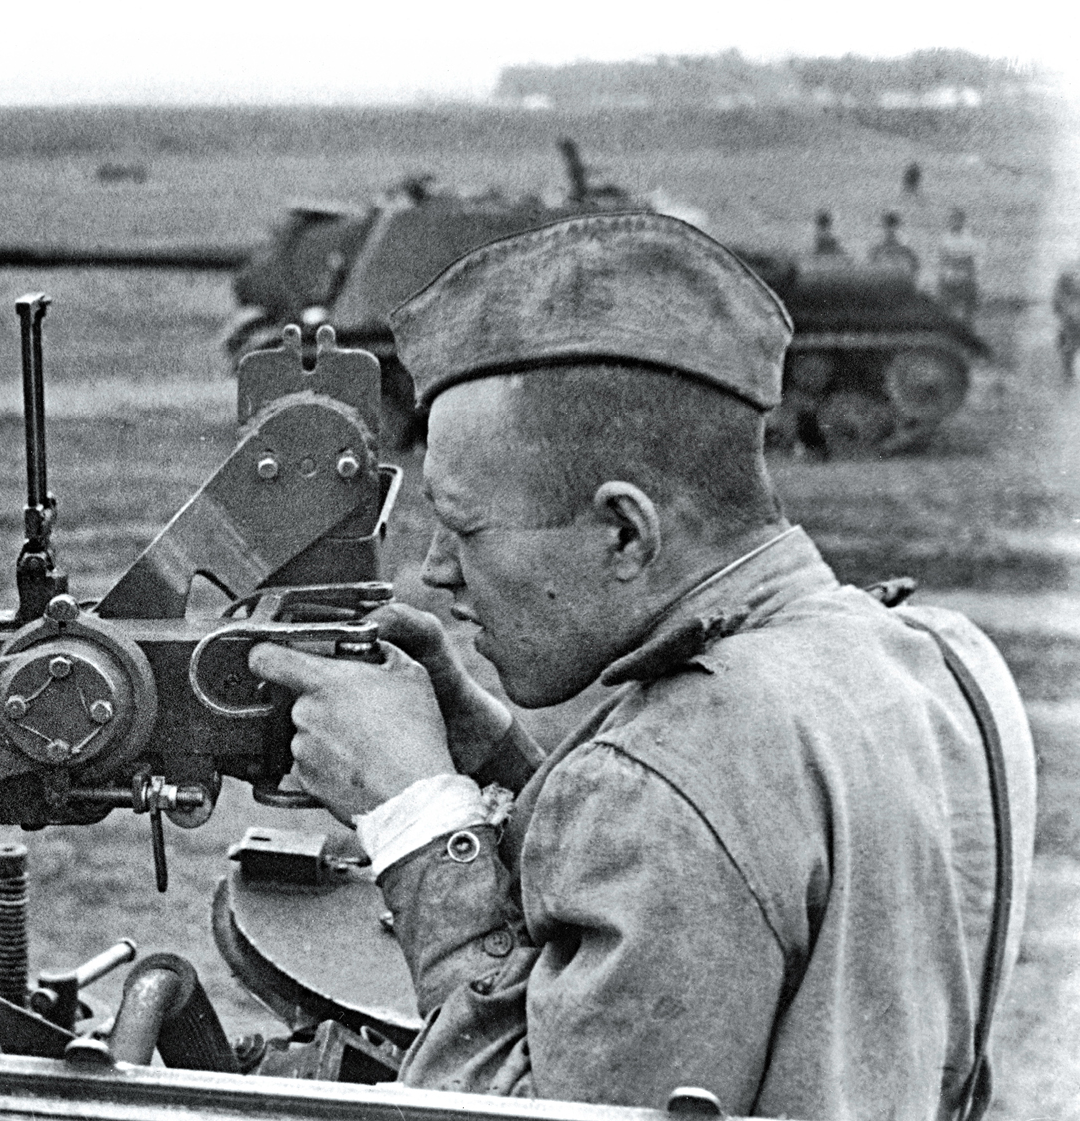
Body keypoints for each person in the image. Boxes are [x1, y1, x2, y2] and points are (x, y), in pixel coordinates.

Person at [250, 213, 1036, 1119]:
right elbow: (727, 892)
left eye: (465, 526)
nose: (436, 569)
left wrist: (415, 817)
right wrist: (490, 750)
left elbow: (516, 1110)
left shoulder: (664, 777)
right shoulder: (935, 659)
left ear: (625, 530)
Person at [936, 208, 981, 325]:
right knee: (946, 310)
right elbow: (942, 259)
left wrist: (959, 263)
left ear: (962, 220)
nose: (954, 222)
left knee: (968, 312)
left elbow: (972, 260)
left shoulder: (969, 237)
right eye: (952, 219)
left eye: (957, 219)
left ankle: (968, 327)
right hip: (949, 278)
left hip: (965, 278)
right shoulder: (944, 238)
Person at [869, 210, 920, 277]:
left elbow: (915, 270)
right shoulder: (876, 252)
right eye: (888, 226)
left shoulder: (907, 253)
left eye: (892, 226)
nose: (890, 231)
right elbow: (871, 272)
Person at [1054, 264, 1080, 381]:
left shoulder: (1068, 274)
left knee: (1069, 345)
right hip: (1070, 317)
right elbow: (1058, 297)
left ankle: (1068, 373)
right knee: (1068, 346)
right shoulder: (1068, 275)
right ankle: (1068, 373)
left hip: (1071, 314)